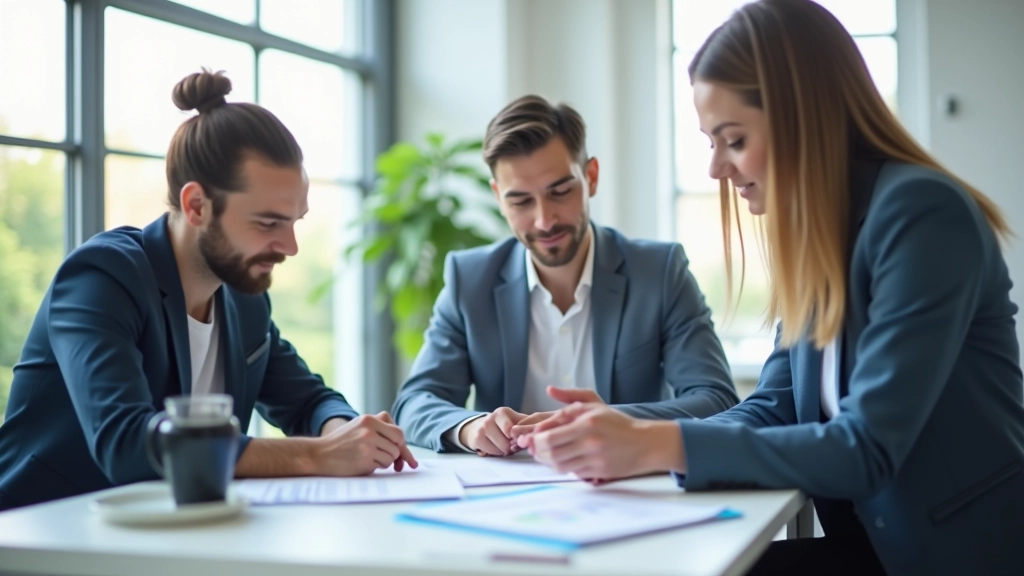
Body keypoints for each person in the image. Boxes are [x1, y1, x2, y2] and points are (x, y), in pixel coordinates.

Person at [520, 2, 1024, 575]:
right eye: (711, 141)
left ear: (802, 119)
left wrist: (654, 447)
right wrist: (633, 432)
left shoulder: (920, 214)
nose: (716, 169)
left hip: (959, 554)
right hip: (875, 546)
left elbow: (868, 448)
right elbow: (775, 406)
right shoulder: (820, 230)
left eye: (732, 140)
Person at [0, 69, 416, 511]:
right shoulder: (102, 277)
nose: (289, 246)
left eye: (295, 222)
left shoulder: (244, 298)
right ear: (196, 204)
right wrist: (317, 454)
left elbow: (308, 399)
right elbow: (125, 443)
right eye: (268, 223)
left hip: (175, 536)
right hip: (45, 534)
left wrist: (343, 431)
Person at [392, 95, 738, 456]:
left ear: (590, 177)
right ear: (498, 197)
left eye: (560, 192)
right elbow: (415, 403)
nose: (544, 220)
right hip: (505, 496)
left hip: (628, 491)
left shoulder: (659, 272)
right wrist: (470, 427)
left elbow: (716, 399)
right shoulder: (470, 280)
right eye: (521, 201)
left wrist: (612, 422)